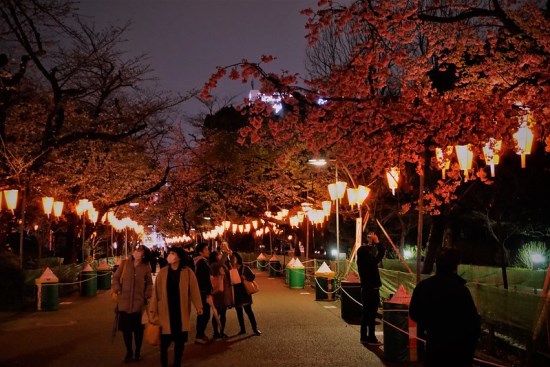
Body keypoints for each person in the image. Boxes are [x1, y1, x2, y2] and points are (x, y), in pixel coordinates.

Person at [409, 247, 481, 367]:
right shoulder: (461, 290)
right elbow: (473, 323)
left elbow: (414, 313)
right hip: (458, 352)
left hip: (434, 347)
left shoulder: (424, 287)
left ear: (436, 263)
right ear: (456, 266)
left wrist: (430, 324)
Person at [149, 246, 203, 367]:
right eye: (170, 253)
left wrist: (198, 306)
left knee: (179, 343)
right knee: (164, 344)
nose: (170, 255)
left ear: (179, 257)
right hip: (165, 311)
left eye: (173, 253)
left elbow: (194, 290)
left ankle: (177, 363)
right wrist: (152, 310)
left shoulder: (188, 272)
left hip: (180, 311)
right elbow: (155, 293)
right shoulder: (162, 272)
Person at [111, 245, 153, 362]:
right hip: (124, 303)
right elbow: (116, 278)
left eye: (140, 251)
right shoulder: (125, 263)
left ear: (143, 254)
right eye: (136, 250)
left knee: (138, 330)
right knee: (126, 330)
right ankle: (129, 351)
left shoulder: (146, 266)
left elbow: (149, 283)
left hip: (139, 304)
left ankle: (138, 352)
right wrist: (117, 288)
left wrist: (148, 294)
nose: (136, 252)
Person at [356, 232, 385, 345]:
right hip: (372, 290)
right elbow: (381, 254)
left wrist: (370, 243)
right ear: (366, 254)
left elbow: (371, 252)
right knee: (371, 314)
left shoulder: (361, 261)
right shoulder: (370, 262)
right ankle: (372, 338)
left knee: (366, 314)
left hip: (365, 289)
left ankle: (364, 337)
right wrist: (377, 241)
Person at [231, 251, 261, 336]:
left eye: (234, 258)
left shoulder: (244, 268)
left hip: (244, 292)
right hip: (236, 292)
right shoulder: (231, 269)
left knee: (249, 311)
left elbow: (252, 276)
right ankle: (242, 329)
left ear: (238, 258)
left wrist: (245, 277)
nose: (233, 260)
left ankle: (255, 328)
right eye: (231, 258)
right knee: (239, 312)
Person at [209, 242, 233, 338]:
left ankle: (222, 331)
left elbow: (230, 269)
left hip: (225, 291)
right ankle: (216, 332)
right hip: (218, 291)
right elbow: (220, 263)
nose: (219, 255)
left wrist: (228, 260)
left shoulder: (223, 264)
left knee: (223, 313)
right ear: (215, 257)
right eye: (218, 255)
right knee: (217, 312)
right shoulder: (214, 265)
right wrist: (225, 254)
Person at [193, 242, 212, 344]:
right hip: (203, 292)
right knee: (204, 314)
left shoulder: (199, 262)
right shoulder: (201, 263)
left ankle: (201, 334)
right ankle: (199, 336)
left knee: (203, 314)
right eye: (206, 249)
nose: (208, 251)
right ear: (201, 252)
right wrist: (207, 291)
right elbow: (203, 279)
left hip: (202, 291)